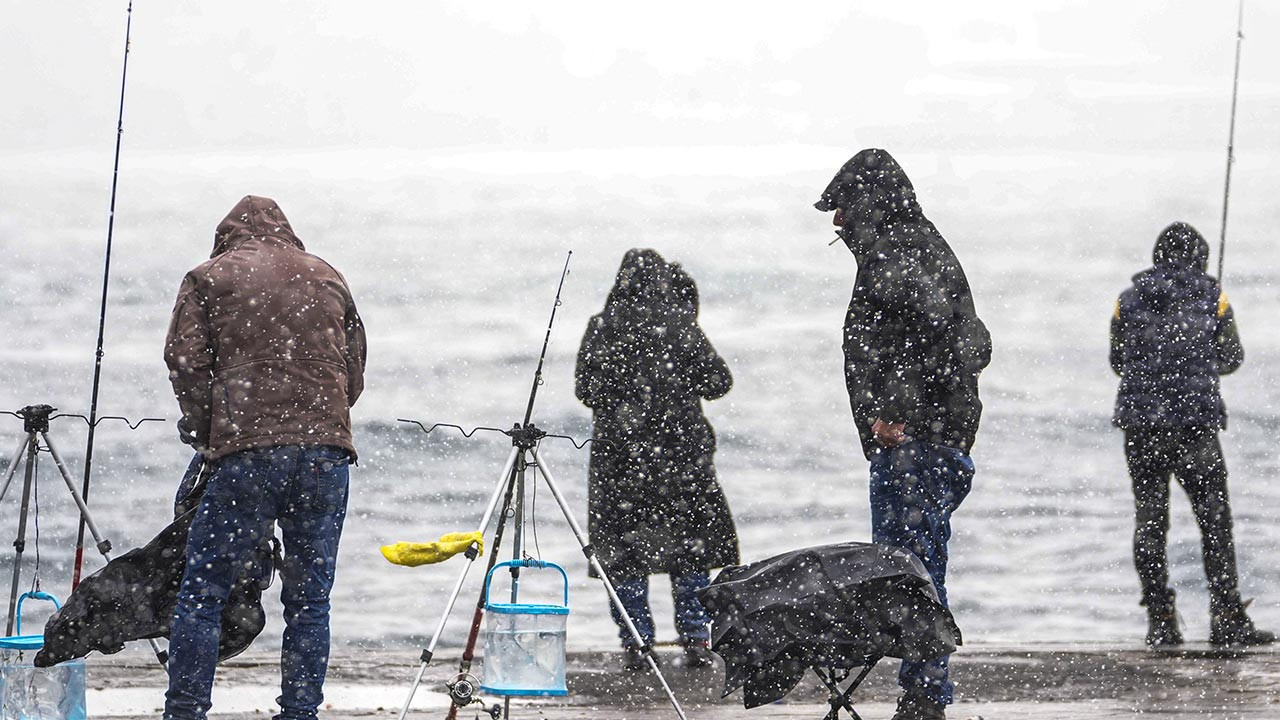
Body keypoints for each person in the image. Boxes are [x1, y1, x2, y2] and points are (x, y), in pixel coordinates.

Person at [163, 195, 367, 720]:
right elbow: (353, 368)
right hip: (325, 455)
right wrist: (317, 420)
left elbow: (185, 361)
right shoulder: (326, 274)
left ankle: (185, 712)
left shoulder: (209, 277)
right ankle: (300, 712)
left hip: (246, 455)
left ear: (226, 235)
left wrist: (206, 428)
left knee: (203, 593)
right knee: (309, 599)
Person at [815, 149, 990, 720]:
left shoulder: (896, 252)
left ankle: (924, 699)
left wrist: (895, 413)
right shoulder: (920, 245)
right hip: (935, 440)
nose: (838, 224)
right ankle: (924, 691)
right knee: (917, 567)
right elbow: (966, 339)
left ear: (866, 204)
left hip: (915, 445)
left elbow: (943, 336)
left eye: (842, 210)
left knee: (911, 571)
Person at [1110, 221, 1273, 648]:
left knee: (1150, 521)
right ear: (1199, 257)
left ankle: (1161, 622)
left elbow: (1118, 360)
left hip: (1142, 427)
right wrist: (1200, 366)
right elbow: (1233, 358)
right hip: (1194, 427)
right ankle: (1226, 618)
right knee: (1214, 522)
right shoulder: (1213, 299)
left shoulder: (1127, 301)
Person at [575, 249, 738, 670]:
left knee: (625, 554)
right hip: (681, 461)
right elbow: (719, 382)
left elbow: (586, 391)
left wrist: (625, 397)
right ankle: (696, 639)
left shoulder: (602, 327)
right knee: (689, 552)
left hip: (620, 463)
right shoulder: (681, 326)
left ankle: (636, 643)